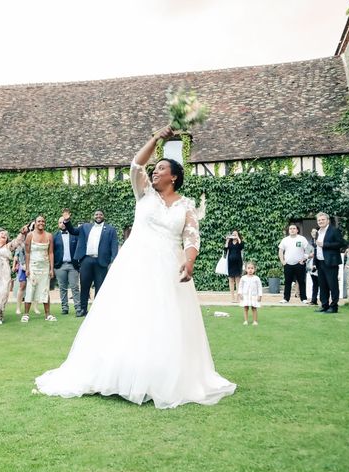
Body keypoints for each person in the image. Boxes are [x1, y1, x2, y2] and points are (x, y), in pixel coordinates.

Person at [35, 126, 236, 408]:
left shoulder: (186, 205)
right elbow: (136, 164)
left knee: (164, 320)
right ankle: (119, 374)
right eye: (155, 168)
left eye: (162, 168)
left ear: (174, 177)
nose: (155, 171)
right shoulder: (144, 194)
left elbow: (191, 236)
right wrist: (157, 139)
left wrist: (189, 263)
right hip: (135, 264)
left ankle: (159, 377)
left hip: (169, 266)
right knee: (128, 315)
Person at [64, 210, 118, 316]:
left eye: (100, 214)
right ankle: (82, 310)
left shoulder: (110, 229)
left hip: (101, 261)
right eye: (96, 214)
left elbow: (114, 246)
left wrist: (113, 261)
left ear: (104, 216)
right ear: (93, 216)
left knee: (100, 286)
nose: (98, 216)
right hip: (86, 260)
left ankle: (96, 311)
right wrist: (67, 221)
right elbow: (73, 231)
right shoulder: (85, 227)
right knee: (84, 286)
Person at [21, 216, 55, 323]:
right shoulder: (30, 235)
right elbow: (27, 252)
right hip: (33, 266)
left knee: (45, 289)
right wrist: (27, 268)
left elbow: (50, 253)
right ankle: (26, 314)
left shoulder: (49, 235)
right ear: (35, 223)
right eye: (39, 221)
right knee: (30, 289)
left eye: (43, 221)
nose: (41, 223)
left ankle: (47, 314)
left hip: (45, 266)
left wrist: (51, 268)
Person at [314, 212, 346, 314]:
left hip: (331, 262)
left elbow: (341, 243)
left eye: (322, 220)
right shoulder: (318, 232)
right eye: (319, 220)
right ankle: (324, 305)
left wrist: (325, 244)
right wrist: (315, 262)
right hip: (320, 262)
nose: (320, 221)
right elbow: (317, 248)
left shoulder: (334, 230)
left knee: (333, 285)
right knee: (322, 285)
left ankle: (334, 307)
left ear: (327, 220)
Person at [53, 213, 81, 316]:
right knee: (62, 288)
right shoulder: (54, 236)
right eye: (60, 222)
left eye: (64, 221)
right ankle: (64, 308)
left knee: (75, 287)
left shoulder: (75, 235)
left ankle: (78, 308)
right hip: (60, 266)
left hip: (73, 265)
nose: (62, 224)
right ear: (58, 224)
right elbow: (51, 252)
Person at [278, 223, 309, 304]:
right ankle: (286, 298)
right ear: (288, 230)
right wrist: (283, 261)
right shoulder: (285, 240)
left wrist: (304, 259)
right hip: (288, 264)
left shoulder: (302, 239)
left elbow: (309, 250)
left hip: (300, 264)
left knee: (301, 281)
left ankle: (304, 299)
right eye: (290, 229)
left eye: (294, 228)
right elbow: (280, 251)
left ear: (297, 230)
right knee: (287, 282)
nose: (292, 230)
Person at [238, 261, 263, 326]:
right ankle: (246, 321)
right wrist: (240, 293)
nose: (250, 270)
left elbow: (259, 287)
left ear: (254, 269)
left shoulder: (256, 278)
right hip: (245, 296)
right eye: (248, 268)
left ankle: (255, 321)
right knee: (245, 308)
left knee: (254, 308)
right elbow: (240, 286)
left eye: (252, 268)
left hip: (254, 296)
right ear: (246, 269)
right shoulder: (243, 278)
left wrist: (260, 295)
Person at [224, 230, 244, 302]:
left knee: (238, 280)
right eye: (233, 234)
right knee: (231, 280)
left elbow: (242, 247)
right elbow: (225, 250)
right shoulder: (229, 242)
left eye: (236, 234)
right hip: (230, 263)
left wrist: (238, 238)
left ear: (238, 235)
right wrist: (227, 240)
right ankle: (232, 297)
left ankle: (237, 298)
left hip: (238, 263)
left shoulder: (239, 242)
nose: (234, 235)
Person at [307, 228, 320, 305]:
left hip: (320, 264)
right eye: (312, 232)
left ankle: (324, 301)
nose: (314, 233)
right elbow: (306, 254)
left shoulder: (321, 242)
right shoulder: (309, 244)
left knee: (322, 284)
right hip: (311, 265)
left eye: (315, 232)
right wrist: (310, 255)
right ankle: (314, 300)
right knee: (315, 284)